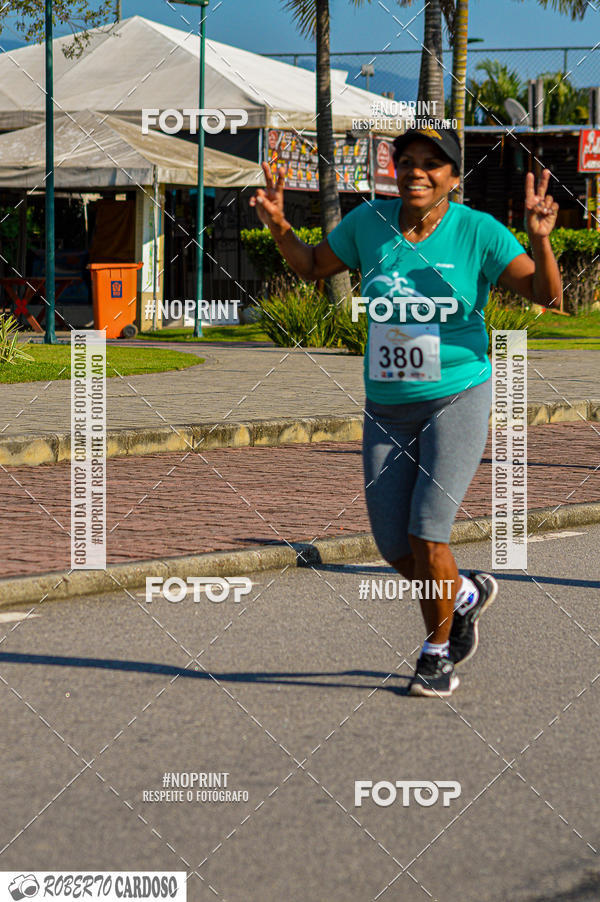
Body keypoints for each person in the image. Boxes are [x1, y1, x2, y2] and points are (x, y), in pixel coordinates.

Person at [250, 125, 562, 697]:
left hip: (458, 395)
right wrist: (278, 223)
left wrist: (540, 239)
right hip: (387, 408)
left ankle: (437, 654)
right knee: (395, 546)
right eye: (408, 161)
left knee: (427, 532)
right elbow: (313, 265)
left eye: (432, 163)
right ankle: (463, 595)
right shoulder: (369, 223)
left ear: (453, 177)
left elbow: (547, 295)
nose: (418, 171)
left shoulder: (478, 232)